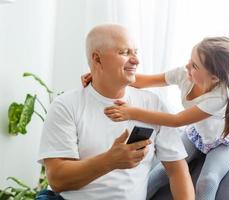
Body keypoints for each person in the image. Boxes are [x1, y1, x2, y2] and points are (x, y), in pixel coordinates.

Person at [36, 24, 195, 200]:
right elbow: (57, 179)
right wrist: (109, 161)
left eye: (135, 52)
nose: (136, 60)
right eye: (124, 52)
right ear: (97, 59)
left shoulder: (152, 105)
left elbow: (177, 172)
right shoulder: (66, 105)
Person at [82, 36, 229, 200]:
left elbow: (176, 121)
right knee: (161, 171)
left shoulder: (219, 98)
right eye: (190, 60)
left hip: (222, 141)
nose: (187, 66)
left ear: (214, 78)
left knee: (208, 181)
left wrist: (131, 112)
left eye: (195, 66)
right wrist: (102, 76)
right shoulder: (185, 74)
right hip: (197, 134)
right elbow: (146, 81)